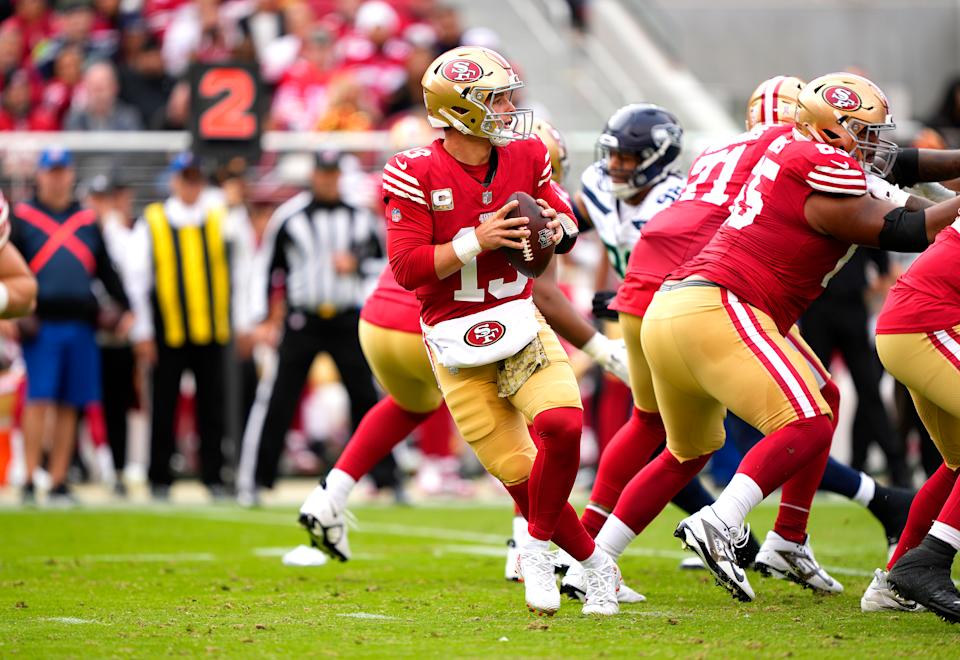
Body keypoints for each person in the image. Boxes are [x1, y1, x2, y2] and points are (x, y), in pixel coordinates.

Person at [621, 72, 960, 603]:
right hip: (724, 302)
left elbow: (905, 166)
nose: (877, 144)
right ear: (832, 130)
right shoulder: (823, 170)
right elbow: (905, 230)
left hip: (688, 301)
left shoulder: (800, 147)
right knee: (807, 418)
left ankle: (598, 557)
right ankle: (722, 520)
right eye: (865, 133)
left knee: (707, 441)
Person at [382, 46, 619, 616]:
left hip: (516, 316)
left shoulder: (527, 153)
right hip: (452, 337)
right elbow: (408, 268)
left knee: (563, 425)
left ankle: (534, 547)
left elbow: (560, 214)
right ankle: (595, 564)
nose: (512, 106)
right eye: (497, 98)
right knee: (520, 476)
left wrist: (560, 227)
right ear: (461, 109)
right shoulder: (413, 170)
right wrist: (477, 241)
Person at [237, 150, 384, 507]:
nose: (327, 180)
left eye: (333, 174)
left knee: (367, 398)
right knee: (278, 399)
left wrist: (358, 264)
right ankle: (256, 481)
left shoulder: (360, 218)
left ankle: (387, 479)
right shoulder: (290, 217)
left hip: (348, 317)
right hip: (303, 320)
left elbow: (384, 263)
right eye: (322, 173)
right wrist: (259, 318)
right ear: (313, 175)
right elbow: (265, 267)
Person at [10, 146, 129, 504]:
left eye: (63, 171)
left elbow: (106, 269)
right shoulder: (22, 218)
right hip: (41, 322)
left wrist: (123, 306)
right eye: (52, 171)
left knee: (71, 403)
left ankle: (59, 479)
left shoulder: (87, 220)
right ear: (41, 175)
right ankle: (31, 477)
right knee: (39, 398)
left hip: (82, 322)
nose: (58, 177)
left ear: (71, 175)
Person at [863, 217, 960, 622]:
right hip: (928, 323)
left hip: (910, 324)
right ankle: (929, 560)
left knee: (956, 465)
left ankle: (893, 583)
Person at [126, 153, 231, 500]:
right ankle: (159, 476)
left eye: (196, 178)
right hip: (168, 330)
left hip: (211, 328)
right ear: (173, 181)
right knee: (165, 404)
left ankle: (214, 475)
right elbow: (137, 281)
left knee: (211, 406)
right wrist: (142, 332)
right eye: (185, 178)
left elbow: (242, 271)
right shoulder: (153, 220)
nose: (191, 185)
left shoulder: (218, 217)